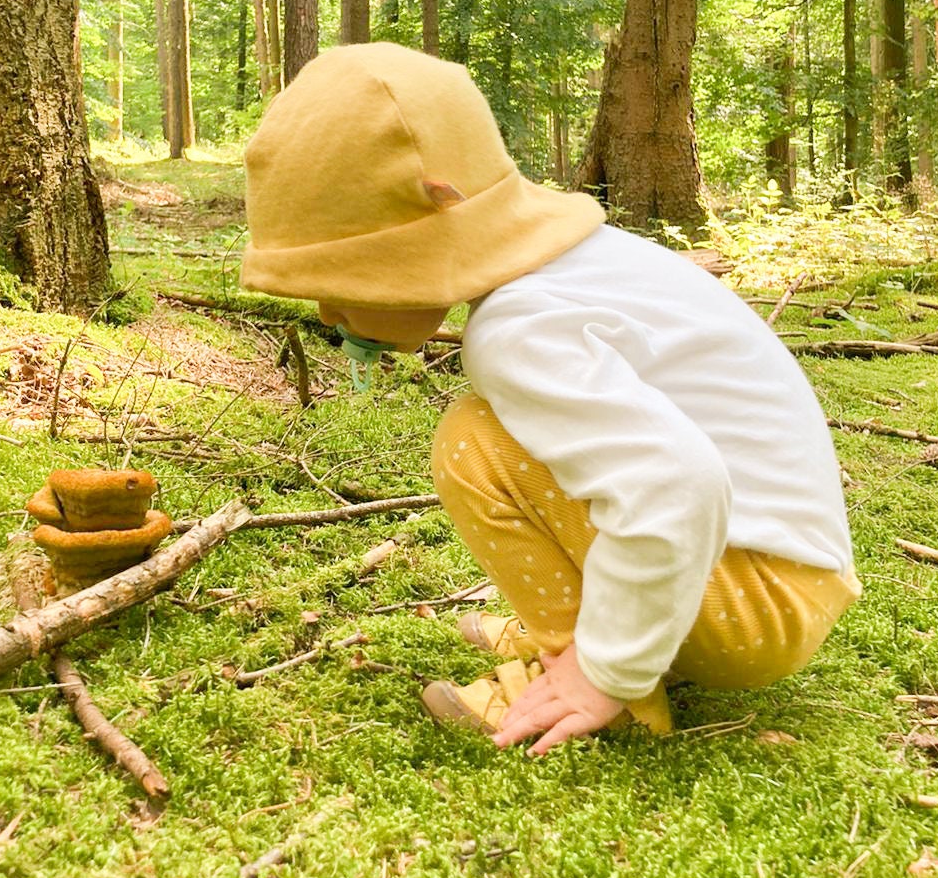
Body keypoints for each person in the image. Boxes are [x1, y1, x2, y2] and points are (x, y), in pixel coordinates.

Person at [240, 43, 859, 753]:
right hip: (780, 577)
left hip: (753, 607)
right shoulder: (581, 269)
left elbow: (679, 482)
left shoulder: (518, 328)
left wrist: (608, 671)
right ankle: (609, 629)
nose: (326, 314)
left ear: (441, 217)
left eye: (341, 278)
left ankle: (592, 677)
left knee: (475, 444)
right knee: (506, 433)